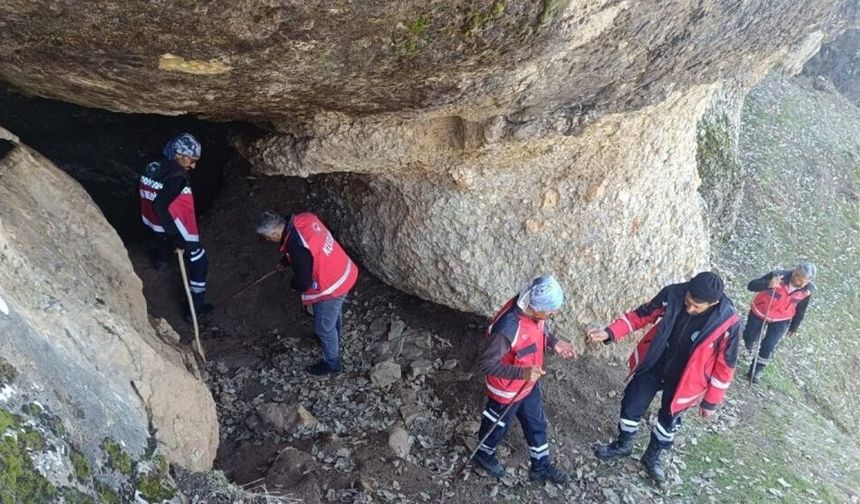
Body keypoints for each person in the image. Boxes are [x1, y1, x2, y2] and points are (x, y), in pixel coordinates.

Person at [587, 272, 741, 483]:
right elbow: (641, 315)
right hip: (656, 361)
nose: (689, 309)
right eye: (688, 302)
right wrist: (610, 332)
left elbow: (726, 365)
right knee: (632, 403)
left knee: (668, 421)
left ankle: (652, 457)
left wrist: (711, 402)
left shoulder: (729, 322)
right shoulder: (674, 293)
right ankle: (624, 444)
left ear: (713, 303)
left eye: (697, 307)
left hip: (687, 378)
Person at [474, 275, 577, 484]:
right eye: (550, 310)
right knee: (497, 426)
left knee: (536, 422)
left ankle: (541, 466)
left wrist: (555, 343)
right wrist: (522, 373)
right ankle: (483, 454)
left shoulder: (531, 309)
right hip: (507, 389)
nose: (553, 314)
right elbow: (486, 364)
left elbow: (540, 329)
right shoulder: (508, 327)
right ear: (536, 306)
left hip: (528, 383)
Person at [256, 211, 358, 375]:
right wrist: (286, 260)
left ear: (275, 232)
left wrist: (293, 285)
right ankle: (334, 337)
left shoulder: (297, 246)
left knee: (323, 327)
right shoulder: (305, 219)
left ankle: (332, 363)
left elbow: (303, 282)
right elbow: (309, 247)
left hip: (332, 285)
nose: (267, 241)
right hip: (344, 269)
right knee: (334, 313)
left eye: (267, 237)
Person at [139, 133, 212, 324]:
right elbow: (161, 205)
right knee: (199, 261)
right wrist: (176, 236)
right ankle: (194, 311)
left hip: (152, 223)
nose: (194, 165)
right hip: (173, 227)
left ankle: (161, 264)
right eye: (192, 160)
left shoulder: (153, 164)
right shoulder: (177, 177)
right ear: (180, 154)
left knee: (161, 243)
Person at [743, 262, 816, 384]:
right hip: (760, 311)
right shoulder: (777, 276)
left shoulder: (807, 291)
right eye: (800, 279)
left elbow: (801, 309)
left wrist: (794, 326)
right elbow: (751, 285)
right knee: (749, 336)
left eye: (806, 281)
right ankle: (750, 342)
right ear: (794, 272)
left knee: (769, 346)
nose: (802, 284)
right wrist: (768, 284)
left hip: (782, 318)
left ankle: (756, 371)